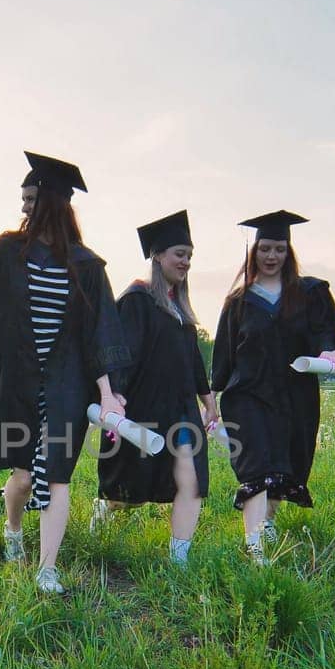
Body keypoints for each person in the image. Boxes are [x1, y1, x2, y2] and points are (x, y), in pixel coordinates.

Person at [0, 152, 128, 595]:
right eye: (22, 198)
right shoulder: (6, 253)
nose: (24, 207)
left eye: (31, 198)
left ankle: (47, 568)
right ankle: (13, 530)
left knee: (56, 471)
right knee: (26, 477)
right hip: (18, 377)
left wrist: (107, 394)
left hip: (66, 381)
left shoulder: (86, 265)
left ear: (52, 202)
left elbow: (97, 333)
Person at [212, 211, 335, 565]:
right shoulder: (239, 302)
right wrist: (211, 400)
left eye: (279, 248)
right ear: (254, 252)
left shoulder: (310, 293)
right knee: (256, 466)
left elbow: (329, 337)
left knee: (284, 467)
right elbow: (224, 357)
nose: (272, 256)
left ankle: (267, 522)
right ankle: (255, 546)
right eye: (265, 249)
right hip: (247, 395)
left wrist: (330, 353)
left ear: (289, 252)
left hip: (295, 397)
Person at [93, 210, 217, 567]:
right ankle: (104, 510)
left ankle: (179, 562)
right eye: (180, 254)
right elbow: (118, 353)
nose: (186, 262)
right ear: (157, 255)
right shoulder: (137, 299)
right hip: (144, 407)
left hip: (181, 409)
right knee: (126, 492)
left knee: (189, 477)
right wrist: (112, 397)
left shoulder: (181, 308)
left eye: (190, 256)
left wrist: (209, 403)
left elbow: (193, 362)